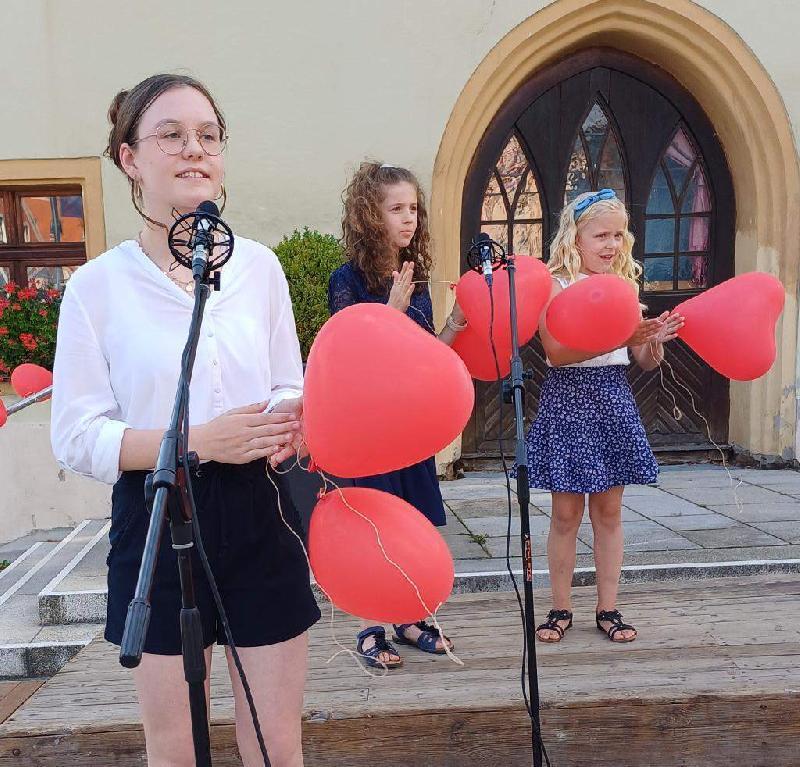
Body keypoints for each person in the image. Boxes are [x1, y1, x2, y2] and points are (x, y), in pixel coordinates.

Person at [50, 73, 320, 767]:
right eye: (170, 134)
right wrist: (198, 442)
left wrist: (293, 422)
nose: (194, 149)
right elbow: (76, 434)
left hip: (261, 510)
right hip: (158, 513)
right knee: (175, 751)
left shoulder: (259, 268)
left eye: (208, 135)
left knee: (274, 744)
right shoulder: (95, 289)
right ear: (129, 158)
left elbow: (288, 379)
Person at [523, 188, 683, 644]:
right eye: (601, 235)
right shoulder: (554, 284)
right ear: (576, 237)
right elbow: (555, 351)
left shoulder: (624, 284)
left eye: (618, 235)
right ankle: (559, 608)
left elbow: (643, 361)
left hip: (612, 397)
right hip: (568, 398)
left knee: (609, 513)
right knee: (565, 514)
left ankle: (608, 607)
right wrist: (620, 335)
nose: (611, 245)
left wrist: (653, 339)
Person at [328, 162, 467, 669]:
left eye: (413, 209)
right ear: (370, 215)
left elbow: (424, 354)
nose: (408, 219)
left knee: (412, 522)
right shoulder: (345, 279)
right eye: (396, 209)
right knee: (375, 526)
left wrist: (452, 327)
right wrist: (390, 308)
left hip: (409, 427)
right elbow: (353, 357)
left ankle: (408, 618)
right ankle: (370, 627)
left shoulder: (417, 279)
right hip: (368, 430)